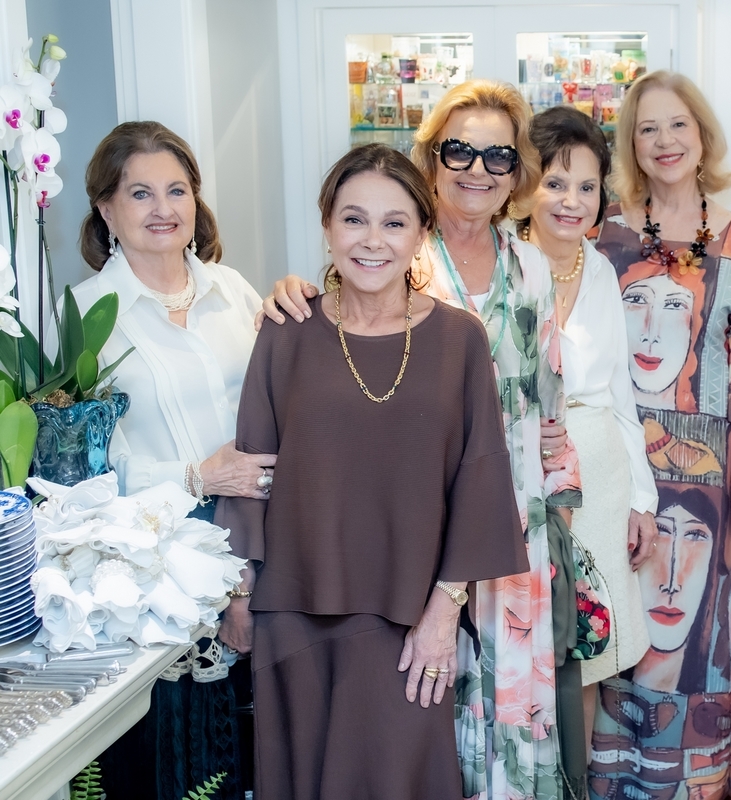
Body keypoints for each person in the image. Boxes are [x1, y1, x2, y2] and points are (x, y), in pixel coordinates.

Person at [259, 80, 583, 799]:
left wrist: (555, 512)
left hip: (505, 523)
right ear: (431, 158)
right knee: (419, 715)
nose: (478, 168)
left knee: (510, 710)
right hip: (408, 535)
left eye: (498, 155)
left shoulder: (531, 266)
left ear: (517, 171)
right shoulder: (398, 252)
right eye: (459, 149)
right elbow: (332, 333)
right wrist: (286, 294)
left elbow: (547, 399)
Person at [215, 143, 527, 798]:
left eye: (394, 222)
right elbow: (251, 467)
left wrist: (444, 611)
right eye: (354, 219)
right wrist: (239, 594)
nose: (372, 240)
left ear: (421, 233)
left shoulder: (460, 338)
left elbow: (479, 480)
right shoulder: (286, 330)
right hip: (293, 613)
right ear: (328, 226)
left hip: (408, 619)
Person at [586, 70, 731, 800]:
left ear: (702, 136)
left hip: (706, 480)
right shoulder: (601, 236)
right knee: (621, 622)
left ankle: (695, 784)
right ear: (631, 145)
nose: (665, 141)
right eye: (648, 128)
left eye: (678, 125)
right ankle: (617, 781)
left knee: (694, 630)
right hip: (617, 466)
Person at [72, 121, 270, 799]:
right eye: (140, 193)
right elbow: (83, 471)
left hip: (265, 548)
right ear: (106, 209)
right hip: (163, 575)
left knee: (269, 748)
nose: (163, 209)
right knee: (190, 762)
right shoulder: (85, 316)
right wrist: (195, 476)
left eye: (177, 190)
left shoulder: (235, 291)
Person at [523, 106, 658, 746]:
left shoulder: (600, 269)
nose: (571, 201)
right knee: (527, 638)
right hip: (526, 469)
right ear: (525, 184)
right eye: (555, 183)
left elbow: (620, 393)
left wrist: (642, 499)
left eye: (586, 186)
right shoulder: (502, 263)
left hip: (600, 475)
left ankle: (575, 780)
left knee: (588, 645)